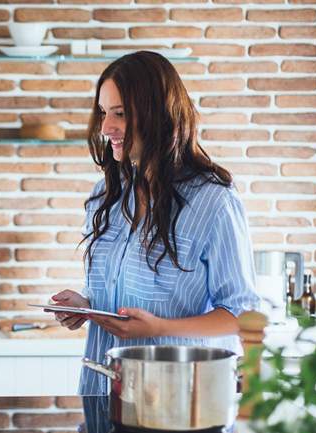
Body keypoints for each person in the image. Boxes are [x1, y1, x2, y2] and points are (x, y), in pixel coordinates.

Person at [51, 51, 259, 395]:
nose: (106, 128)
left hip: (176, 400)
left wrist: (159, 327)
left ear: (157, 115)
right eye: (104, 113)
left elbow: (242, 314)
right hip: (102, 390)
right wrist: (87, 306)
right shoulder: (106, 194)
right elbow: (124, 290)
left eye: (120, 114)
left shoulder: (213, 201)